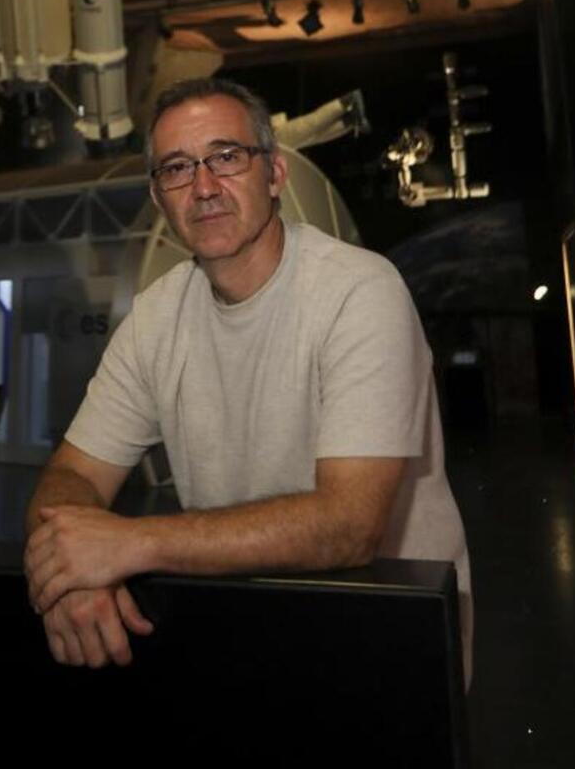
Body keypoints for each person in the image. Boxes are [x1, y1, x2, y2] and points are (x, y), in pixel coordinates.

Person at [25, 77, 471, 682]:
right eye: (178, 169)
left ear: (275, 175)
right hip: (248, 622)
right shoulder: (156, 316)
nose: (203, 187)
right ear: (160, 198)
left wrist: (132, 543)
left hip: (386, 634)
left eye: (227, 157)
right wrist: (70, 578)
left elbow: (349, 527)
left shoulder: (361, 291)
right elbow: (70, 477)